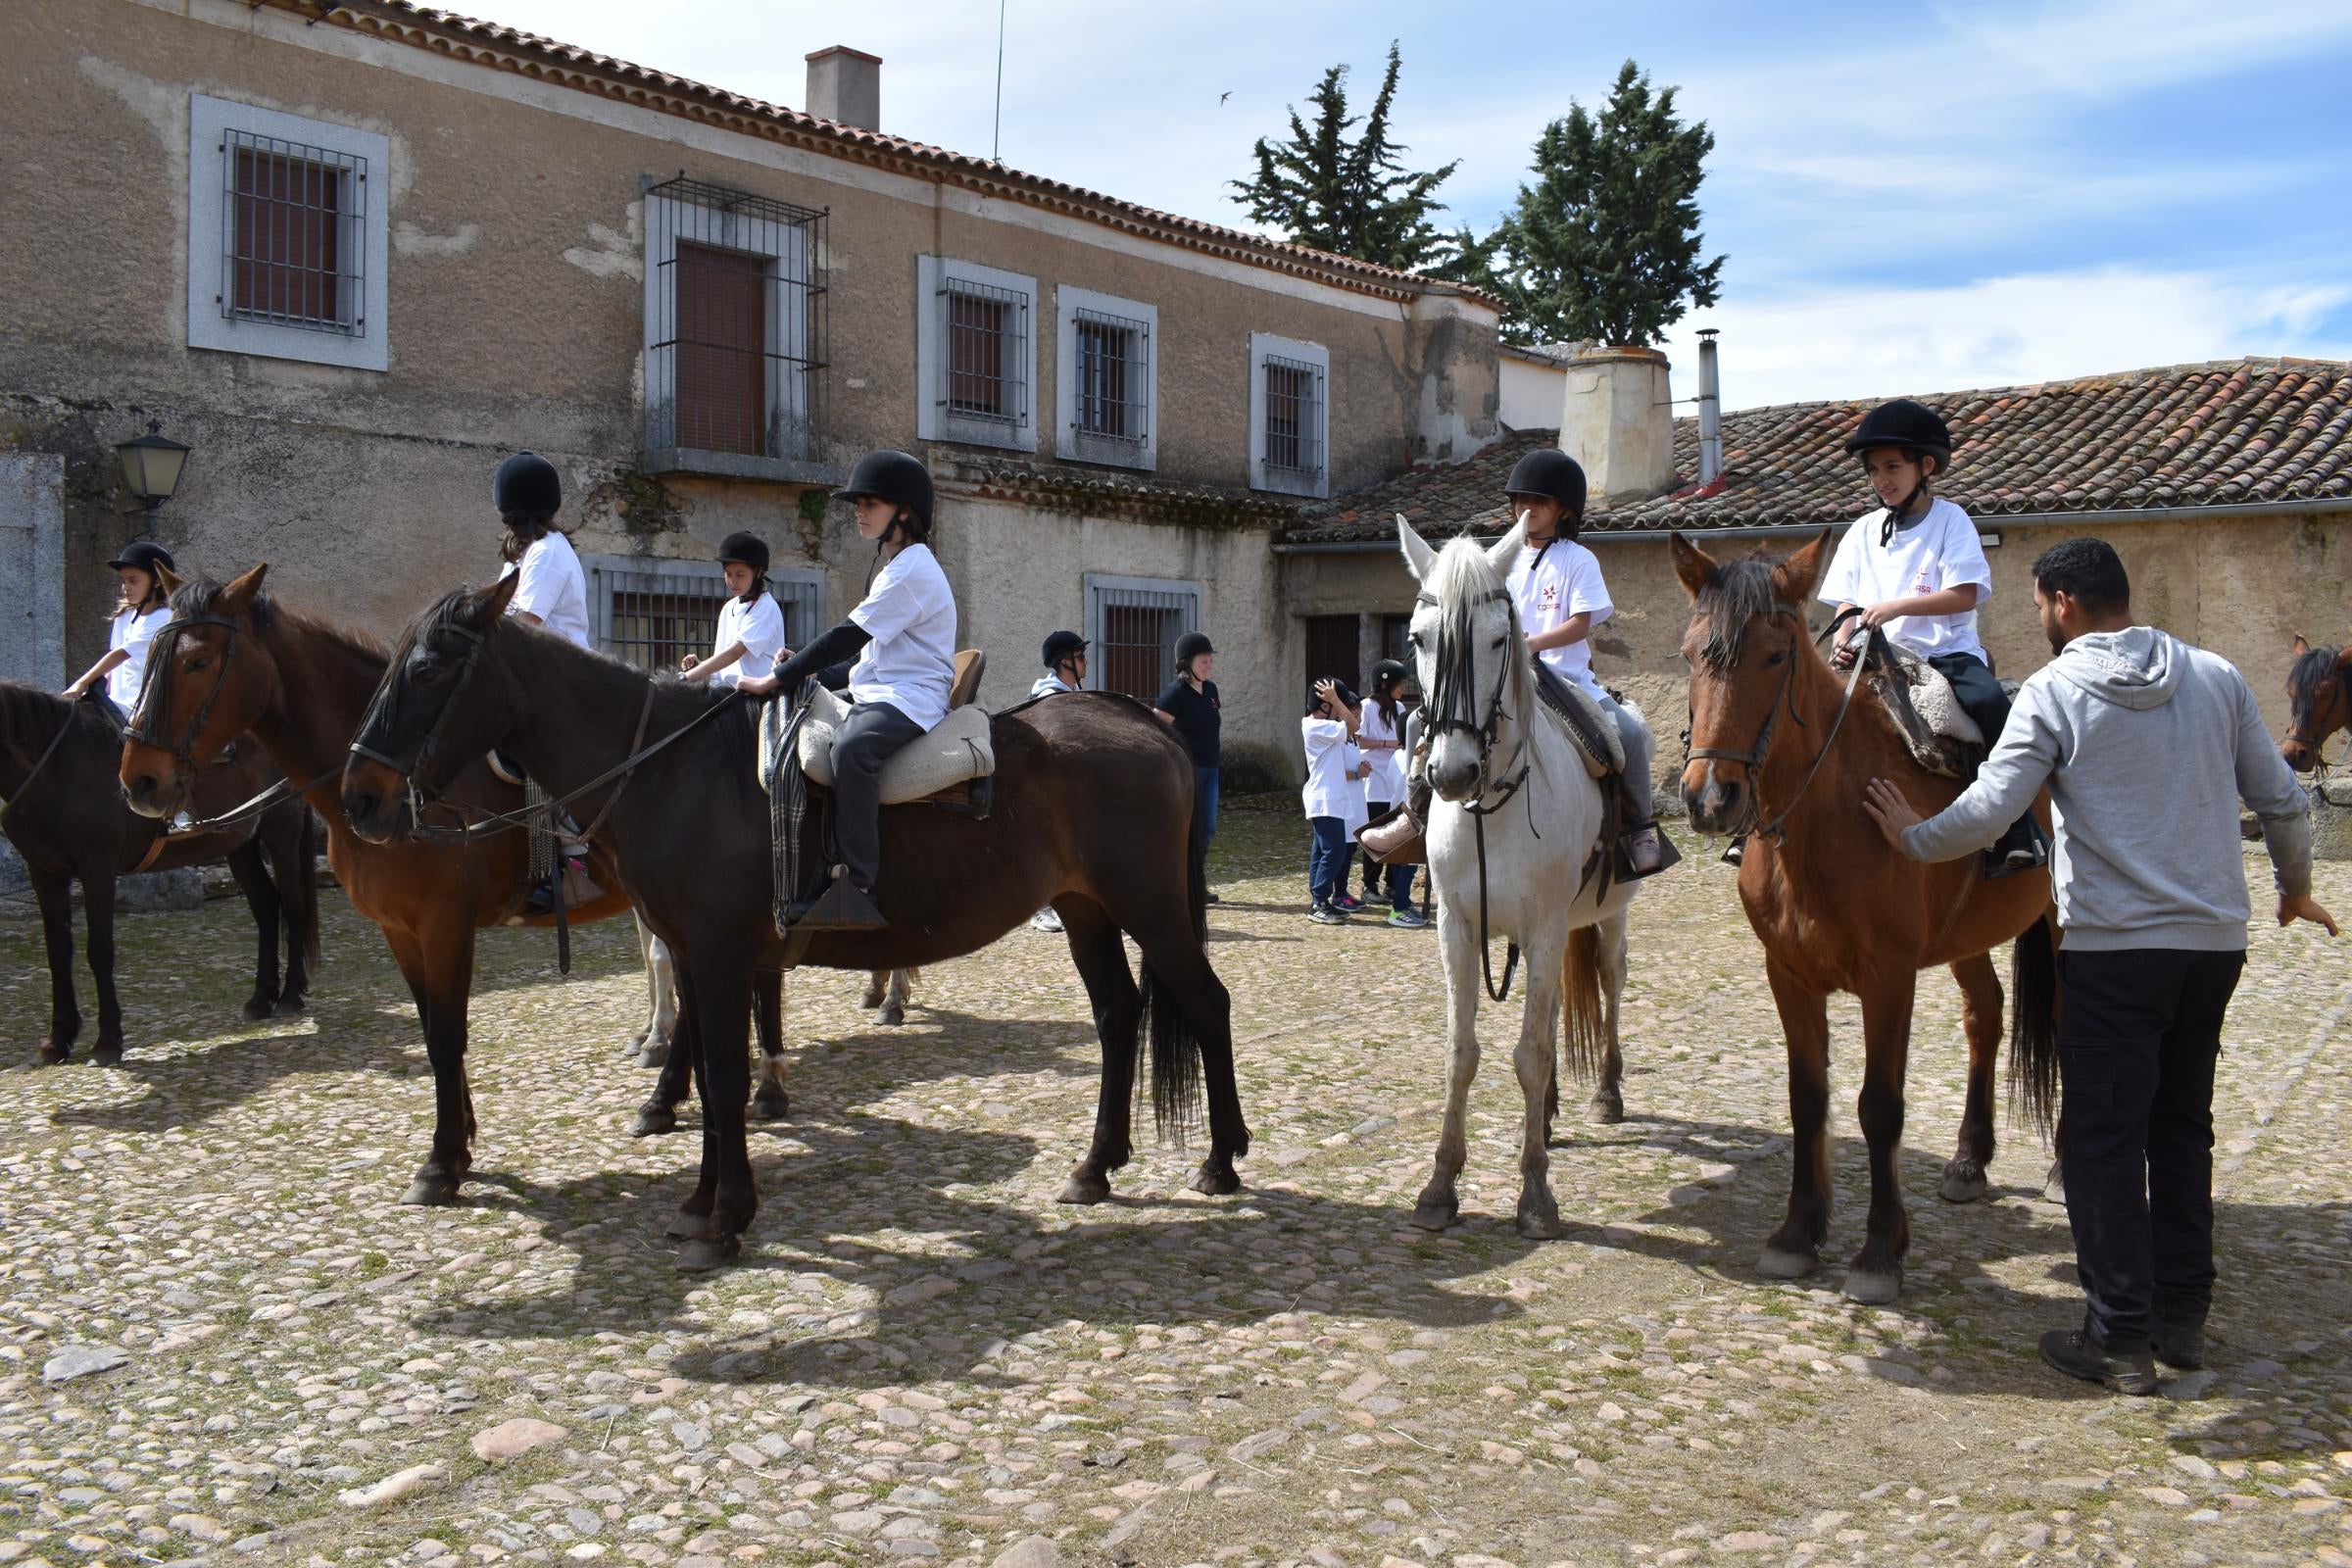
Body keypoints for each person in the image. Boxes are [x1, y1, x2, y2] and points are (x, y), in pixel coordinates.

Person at [1861, 537, 2334, 1396]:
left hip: (2116, 950)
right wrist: (2293, 888)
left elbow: (1989, 812)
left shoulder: (2055, 690)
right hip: (2213, 946)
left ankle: (2118, 1334)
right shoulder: (2216, 676)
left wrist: (1910, 838)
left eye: (2039, 604)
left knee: (2103, 1142)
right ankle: (2183, 1318)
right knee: (2183, 1128)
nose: (2037, 618)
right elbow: (2281, 800)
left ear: (2064, 603)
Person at [1749, 399, 2042, 876]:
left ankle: (2017, 825)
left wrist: (1893, 607)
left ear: (1925, 466)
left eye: (1892, 467)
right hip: (1870, 656)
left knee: (1992, 705)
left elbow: (1965, 594)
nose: (1881, 479)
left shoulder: (1952, 520)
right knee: (1791, 706)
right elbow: (1845, 601)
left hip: (1943, 654)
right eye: (1873, 470)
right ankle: (1759, 819)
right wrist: (1847, 630)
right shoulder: (1863, 530)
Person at [738, 451, 956, 933]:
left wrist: (781, 676)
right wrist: (808, 675)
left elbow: (846, 636)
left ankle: (858, 888)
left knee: (853, 750)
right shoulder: (896, 567)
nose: (859, 511)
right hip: (883, 689)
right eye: (858, 502)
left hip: (912, 697)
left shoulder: (913, 570)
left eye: (870, 503)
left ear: (904, 512)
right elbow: (862, 661)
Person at [1499, 449, 1675, 878]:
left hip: (1565, 680)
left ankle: (1638, 830)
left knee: (1630, 736)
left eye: (1539, 501)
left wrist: (1533, 643)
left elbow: (1579, 625)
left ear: (1565, 510)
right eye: (1522, 498)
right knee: (1420, 726)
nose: (1528, 507)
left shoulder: (1578, 560)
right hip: (1505, 677)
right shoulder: (1500, 557)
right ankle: (1418, 820)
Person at [489, 452, 604, 915]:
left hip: (562, 681)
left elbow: (525, 622)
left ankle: (572, 866)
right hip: (532, 675)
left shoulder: (549, 555)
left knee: (540, 752)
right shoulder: (527, 555)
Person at [64, 541, 176, 724]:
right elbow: (115, 666)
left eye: (133, 580)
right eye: (123, 581)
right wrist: (97, 689)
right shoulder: (124, 615)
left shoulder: (163, 617)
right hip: (117, 705)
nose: (126, 588)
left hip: (141, 710)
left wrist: (80, 683)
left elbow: (121, 654)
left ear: (157, 581)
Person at [1153, 631, 1223, 903]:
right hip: (1186, 773)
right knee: (1183, 830)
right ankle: (1177, 884)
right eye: (1203, 661)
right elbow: (1157, 730)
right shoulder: (1175, 694)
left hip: (1211, 770)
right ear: (1187, 663)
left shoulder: (1211, 690)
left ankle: (1194, 882)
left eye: (1210, 661)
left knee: (1206, 829)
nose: (1209, 665)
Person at [1355, 659, 1425, 928]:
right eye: (1399, 684)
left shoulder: (1398, 707)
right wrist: (1389, 743)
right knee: (1377, 829)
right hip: (1375, 774)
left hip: (1395, 771)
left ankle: (1391, 885)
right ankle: (1369, 883)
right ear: (1385, 684)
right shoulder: (1367, 706)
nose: (1402, 689)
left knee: (1395, 833)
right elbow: (1360, 738)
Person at [1026, 630, 1087, 933]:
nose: (1085, 662)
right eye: (1079, 657)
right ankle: (1039, 908)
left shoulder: (1071, 696)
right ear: (1064, 662)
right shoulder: (1051, 699)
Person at [681, 532, 787, 690]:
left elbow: (735, 652)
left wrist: (685, 677)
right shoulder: (729, 607)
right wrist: (700, 666)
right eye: (728, 574)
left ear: (758, 572)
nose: (732, 581)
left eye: (740, 575)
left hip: (756, 697)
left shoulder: (765, 607)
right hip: (724, 692)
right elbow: (725, 661)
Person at [1301, 677, 1361, 924]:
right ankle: (1320, 900)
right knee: (1334, 851)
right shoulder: (1316, 727)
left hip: (1329, 798)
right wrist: (1335, 699)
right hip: (1324, 798)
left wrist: (1335, 701)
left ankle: (1319, 900)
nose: (1339, 710)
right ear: (1324, 705)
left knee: (1321, 851)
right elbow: (1353, 725)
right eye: (1335, 706)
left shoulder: (1324, 727)